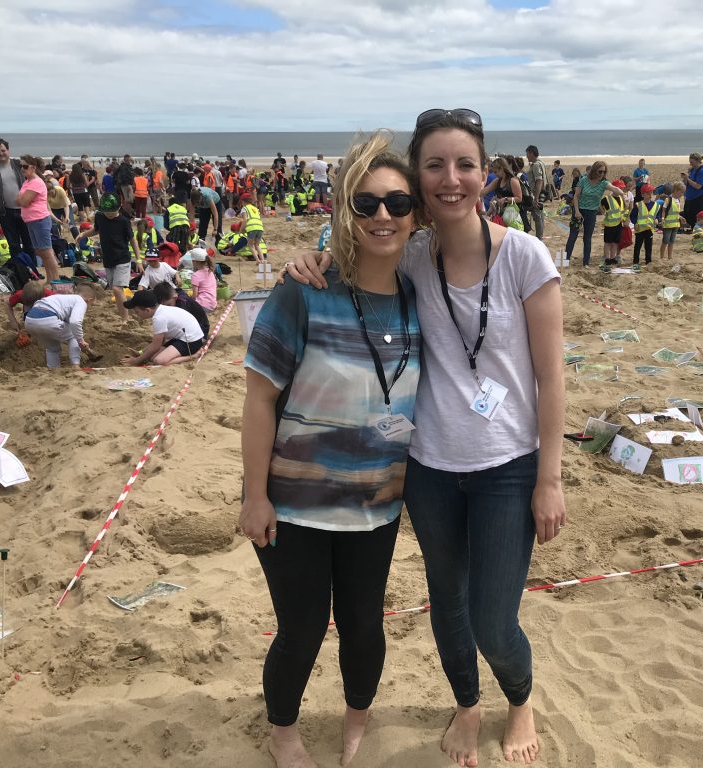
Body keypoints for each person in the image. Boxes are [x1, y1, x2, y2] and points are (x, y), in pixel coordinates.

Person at [287, 108, 565, 767]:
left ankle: (518, 698)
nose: (450, 178)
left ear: (484, 173)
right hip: (431, 467)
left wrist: (550, 479)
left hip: (509, 465)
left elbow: (552, 381)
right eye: (434, 165)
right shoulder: (410, 254)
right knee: (448, 601)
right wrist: (311, 257)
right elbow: (356, 248)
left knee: (495, 620)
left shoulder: (525, 256)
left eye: (464, 163)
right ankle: (467, 706)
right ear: (418, 178)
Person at [240, 132, 420, 768]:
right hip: (296, 503)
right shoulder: (305, 290)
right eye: (366, 204)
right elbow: (260, 398)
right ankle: (283, 731)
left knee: (365, 624)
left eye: (398, 203)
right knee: (303, 627)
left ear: (415, 213)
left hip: (378, 503)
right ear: (344, 210)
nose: (382, 217)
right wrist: (253, 495)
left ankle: (355, 720)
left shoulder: (420, 296)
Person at [76, 193, 138, 324]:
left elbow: (133, 241)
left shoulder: (124, 221)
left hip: (123, 257)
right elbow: (96, 230)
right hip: (108, 258)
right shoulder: (100, 216)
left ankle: (125, 319)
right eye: (107, 213)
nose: (109, 215)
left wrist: (138, 259)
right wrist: (83, 234)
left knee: (117, 288)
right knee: (115, 290)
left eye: (112, 212)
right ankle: (127, 311)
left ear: (119, 208)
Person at [24, 283, 100, 368]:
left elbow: (65, 319)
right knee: (74, 334)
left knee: (52, 348)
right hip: (47, 319)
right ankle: (76, 366)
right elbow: (75, 322)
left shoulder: (64, 299)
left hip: (30, 321)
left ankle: (53, 369)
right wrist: (80, 340)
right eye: (91, 305)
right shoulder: (81, 301)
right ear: (89, 300)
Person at [122, 289, 205, 365]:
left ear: (147, 310)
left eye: (137, 312)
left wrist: (136, 361)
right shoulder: (161, 309)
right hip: (183, 336)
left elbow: (156, 346)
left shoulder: (159, 318)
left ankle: (193, 356)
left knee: (158, 361)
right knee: (153, 357)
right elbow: (156, 343)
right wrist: (140, 353)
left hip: (191, 341)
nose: (136, 315)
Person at [0, 138, 34, 259]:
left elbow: (33, 182)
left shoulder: (18, 165)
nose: (1, 153)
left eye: (3, 150)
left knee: (29, 242)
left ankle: (34, 270)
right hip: (6, 212)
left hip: (25, 209)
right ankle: (20, 271)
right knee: (13, 244)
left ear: (8, 150)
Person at [565, 161, 623, 267]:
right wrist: (577, 211)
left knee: (587, 238)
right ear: (594, 170)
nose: (601, 174)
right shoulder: (583, 180)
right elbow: (576, 196)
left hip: (592, 213)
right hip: (579, 210)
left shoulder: (603, 183)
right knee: (572, 236)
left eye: (604, 172)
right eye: (600, 171)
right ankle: (565, 261)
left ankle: (586, 263)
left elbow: (614, 189)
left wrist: (623, 193)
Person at [15, 155, 60, 282]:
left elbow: (23, 201)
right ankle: (50, 279)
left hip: (39, 220)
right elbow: (19, 200)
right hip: (32, 221)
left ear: (33, 167)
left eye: (25, 166)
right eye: (20, 166)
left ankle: (55, 280)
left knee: (47, 252)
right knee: (40, 251)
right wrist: (20, 200)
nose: (22, 169)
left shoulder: (36, 182)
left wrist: (20, 200)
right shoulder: (27, 181)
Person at [630, 183, 660, 269]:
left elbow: (656, 214)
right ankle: (635, 261)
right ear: (643, 194)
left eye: (651, 193)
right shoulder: (638, 205)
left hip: (649, 229)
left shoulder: (655, 205)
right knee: (638, 246)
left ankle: (648, 261)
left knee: (648, 246)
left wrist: (657, 219)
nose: (650, 195)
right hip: (640, 229)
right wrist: (635, 223)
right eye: (647, 193)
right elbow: (633, 216)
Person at [600, 180, 628, 267]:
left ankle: (612, 258)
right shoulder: (606, 199)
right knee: (608, 242)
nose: (621, 189)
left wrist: (624, 220)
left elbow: (623, 211)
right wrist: (603, 212)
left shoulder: (621, 198)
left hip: (618, 224)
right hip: (609, 225)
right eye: (619, 188)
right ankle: (607, 258)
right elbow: (601, 206)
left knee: (615, 242)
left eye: (622, 188)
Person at [679, 153, 703, 227]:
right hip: (690, 197)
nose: (690, 164)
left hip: (698, 198)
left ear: (697, 161)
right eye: (690, 162)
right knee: (687, 214)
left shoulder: (702, 170)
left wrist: (687, 179)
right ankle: (689, 228)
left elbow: (698, 186)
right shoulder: (693, 169)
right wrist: (685, 179)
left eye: (692, 162)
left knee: (695, 216)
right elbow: (688, 183)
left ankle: (694, 229)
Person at [658, 182, 686, 261]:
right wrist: (663, 219)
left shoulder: (678, 200)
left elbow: (675, 213)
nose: (682, 194)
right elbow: (663, 210)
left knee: (672, 242)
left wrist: (680, 218)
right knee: (665, 241)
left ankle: (670, 257)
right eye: (681, 192)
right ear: (676, 190)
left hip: (676, 224)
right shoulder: (668, 199)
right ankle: (662, 257)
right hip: (667, 225)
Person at [525, 146, 546, 239]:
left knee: (537, 217)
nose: (526, 156)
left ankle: (539, 239)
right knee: (540, 215)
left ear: (531, 153)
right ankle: (540, 237)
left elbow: (539, 181)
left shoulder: (536, 165)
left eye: (527, 154)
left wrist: (536, 197)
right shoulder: (540, 162)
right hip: (541, 192)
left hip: (537, 193)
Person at [239, 194, 265, 262]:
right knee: (257, 245)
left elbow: (245, 220)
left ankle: (257, 260)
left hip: (251, 228)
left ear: (243, 202)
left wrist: (241, 230)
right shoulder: (256, 208)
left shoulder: (244, 208)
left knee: (250, 245)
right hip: (260, 227)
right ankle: (263, 260)